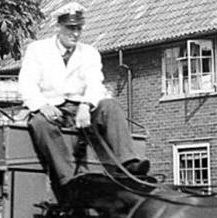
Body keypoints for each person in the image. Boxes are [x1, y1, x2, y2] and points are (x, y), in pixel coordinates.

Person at [18, 1, 150, 200]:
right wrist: (42, 105)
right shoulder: (37, 50)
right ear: (58, 27)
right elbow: (27, 83)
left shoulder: (90, 53)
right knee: (39, 123)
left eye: (79, 28)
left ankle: (128, 165)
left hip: (81, 107)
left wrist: (86, 106)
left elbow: (95, 83)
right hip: (51, 108)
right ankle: (70, 178)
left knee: (110, 105)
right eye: (71, 28)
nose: (76, 34)